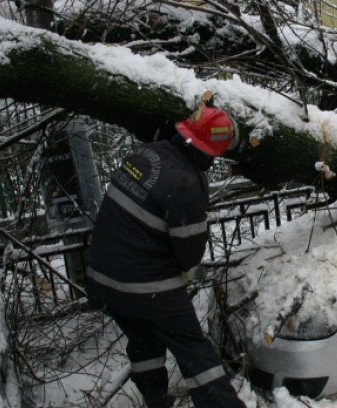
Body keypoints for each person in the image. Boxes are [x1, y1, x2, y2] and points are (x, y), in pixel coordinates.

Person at [86, 104, 246, 407]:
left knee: (144, 339)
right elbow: (189, 253)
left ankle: (155, 399)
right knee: (195, 352)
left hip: (103, 278)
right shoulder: (186, 183)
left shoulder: (147, 153)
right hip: (146, 284)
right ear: (209, 152)